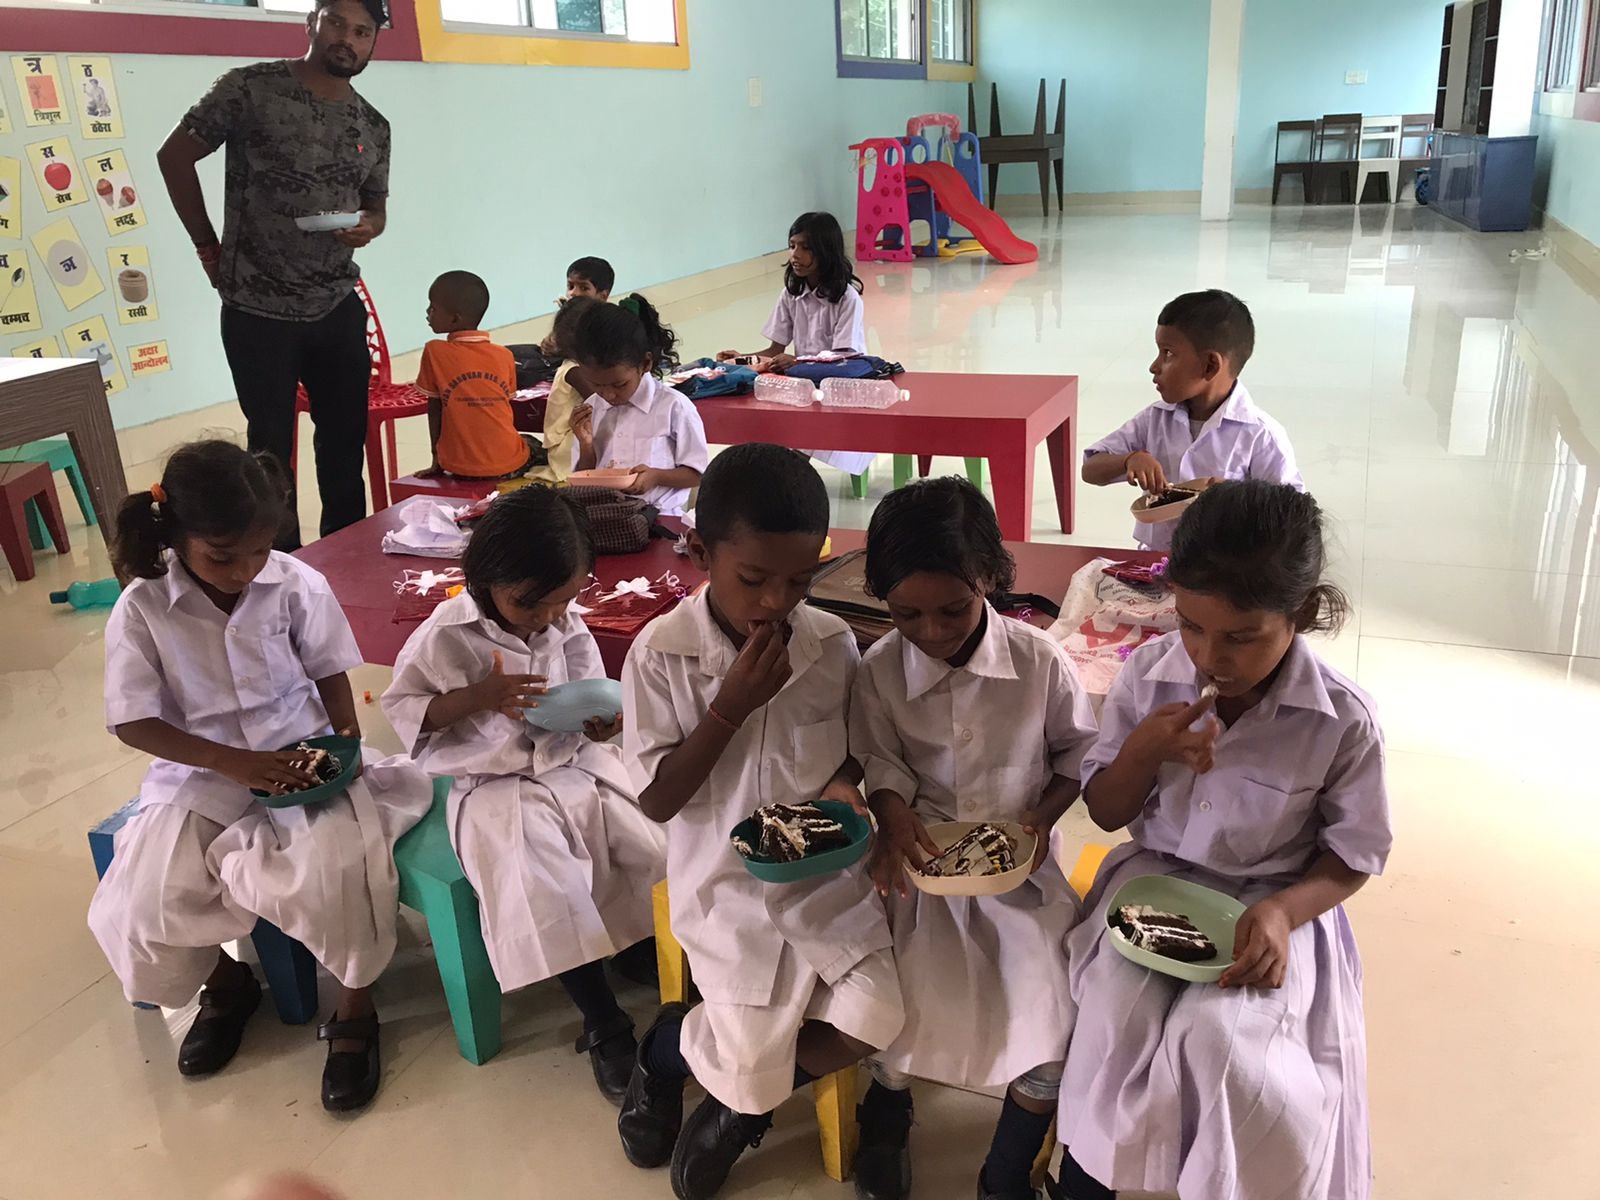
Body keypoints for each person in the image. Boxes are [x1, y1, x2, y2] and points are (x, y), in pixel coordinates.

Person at [1052, 480, 1390, 1200]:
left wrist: (1284, 912)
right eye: (1192, 627)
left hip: (1274, 900)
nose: (1211, 657)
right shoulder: (1149, 677)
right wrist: (1143, 752)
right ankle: (1088, 1178)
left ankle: (1224, 1181)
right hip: (1154, 880)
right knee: (1113, 1011)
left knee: (1219, 1042)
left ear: (1301, 614)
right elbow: (1106, 813)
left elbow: (1354, 855)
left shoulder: (1341, 720)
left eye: (1242, 637)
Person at [86, 440, 433, 1112]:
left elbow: (329, 668)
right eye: (222, 557)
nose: (245, 571)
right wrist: (232, 763)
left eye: (259, 551)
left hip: (300, 752)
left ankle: (354, 1008)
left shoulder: (293, 582)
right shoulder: (143, 606)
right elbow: (133, 722)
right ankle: (227, 984)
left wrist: (343, 738)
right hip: (202, 767)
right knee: (142, 902)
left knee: (339, 871)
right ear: (176, 536)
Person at [618, 444, 905, 1200]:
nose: (778, 601)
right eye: (753, 579)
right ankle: (672, 1058)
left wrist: (844, 781)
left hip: (823, 881)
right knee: (750, 1055)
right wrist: (729, 708)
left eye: (800, 580)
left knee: (880, 1017)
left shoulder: (831, 644)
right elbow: (657, 800)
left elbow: (852, 752)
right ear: (701, 552)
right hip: (728, 893)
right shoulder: (661, 656)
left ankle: (740, 1098)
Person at [847, 477, 1099, 1200]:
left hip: (1022, 874)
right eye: (906, 615)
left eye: (952, 609)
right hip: (918, 863)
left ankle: (1006, 1166)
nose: (931, 632)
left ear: (988, 577)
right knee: (894, 1000)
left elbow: (1077, 755)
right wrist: (892, 812)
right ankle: (887, 1107)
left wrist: (1041, 816)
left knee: (1055, 1012)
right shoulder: (879, 671)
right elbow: (880, 761)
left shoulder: (1038, 661)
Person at [382, 486, 665, 1102]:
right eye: (531, 602)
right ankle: (601, 1016)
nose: (547, 617)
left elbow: (590, 686)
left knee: (649, 843)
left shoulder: (563, 620)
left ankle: (634, 944)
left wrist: (602, 722)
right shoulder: (445, 635)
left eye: (564, 599)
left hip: (572, 761)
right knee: (541, 879)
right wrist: (478, 698)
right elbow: (407, 711)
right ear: (487, 576)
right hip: (493, 783)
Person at [157, 0, 392, 550]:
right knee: (268, 454)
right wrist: (206, 246)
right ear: (311, 22)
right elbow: (174, 157)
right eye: (337, 23)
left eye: (363, 32)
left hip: (335, 303)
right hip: (257, 307)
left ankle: (345, 557)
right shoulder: (248, 88)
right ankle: (277, 564)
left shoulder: (373, 124)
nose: (349, 39)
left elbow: (376, 207)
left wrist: (370, 226)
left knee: (344, 445)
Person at [1081, 290, 1302, 551]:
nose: (1154, 366)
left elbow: (1291, 516)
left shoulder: (1260, 434)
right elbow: (1090, 470)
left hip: (1226, 565)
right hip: (1157, 559)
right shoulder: (1155, 418)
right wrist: (1129, 459)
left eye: (1168, 353)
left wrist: (1238, 497)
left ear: (1210, 366)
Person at [718, 211, 875, 479]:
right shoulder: (791, 294)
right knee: (764, 416)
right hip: (805, 383)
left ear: (825, 251)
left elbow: (843, 360)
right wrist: (740, 358)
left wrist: (797, 362)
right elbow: (774, 351)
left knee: (801, 436)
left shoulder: (847, 298)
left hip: (843, 383)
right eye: (792, 246)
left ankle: (786, 477)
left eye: (805, 248)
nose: (795, 255)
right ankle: (779, 472)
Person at [570, 295, 707, 517]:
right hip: (604, 516)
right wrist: (586, 445)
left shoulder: (673, 406)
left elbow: (698, 473)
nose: (608, 394)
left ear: (645, 364)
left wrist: (657, 476)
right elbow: (583, 478)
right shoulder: (592, 408)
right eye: (596, 385)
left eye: (619, 384)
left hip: (661, 518)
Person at [414, 270, 535, 482]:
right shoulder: (504, 355)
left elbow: (434, 410)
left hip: (457, 465)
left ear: (455, 319)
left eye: (433, 308)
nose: (427, 312)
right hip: (507, 463)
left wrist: (437, 460)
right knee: (535, 444)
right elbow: (503, 408)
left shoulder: (434, 351)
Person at [526, 294, 601, 486]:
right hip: (566, 448)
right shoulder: (573, 371)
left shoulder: (580, 366)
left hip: (572, 440)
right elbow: (602, 402)